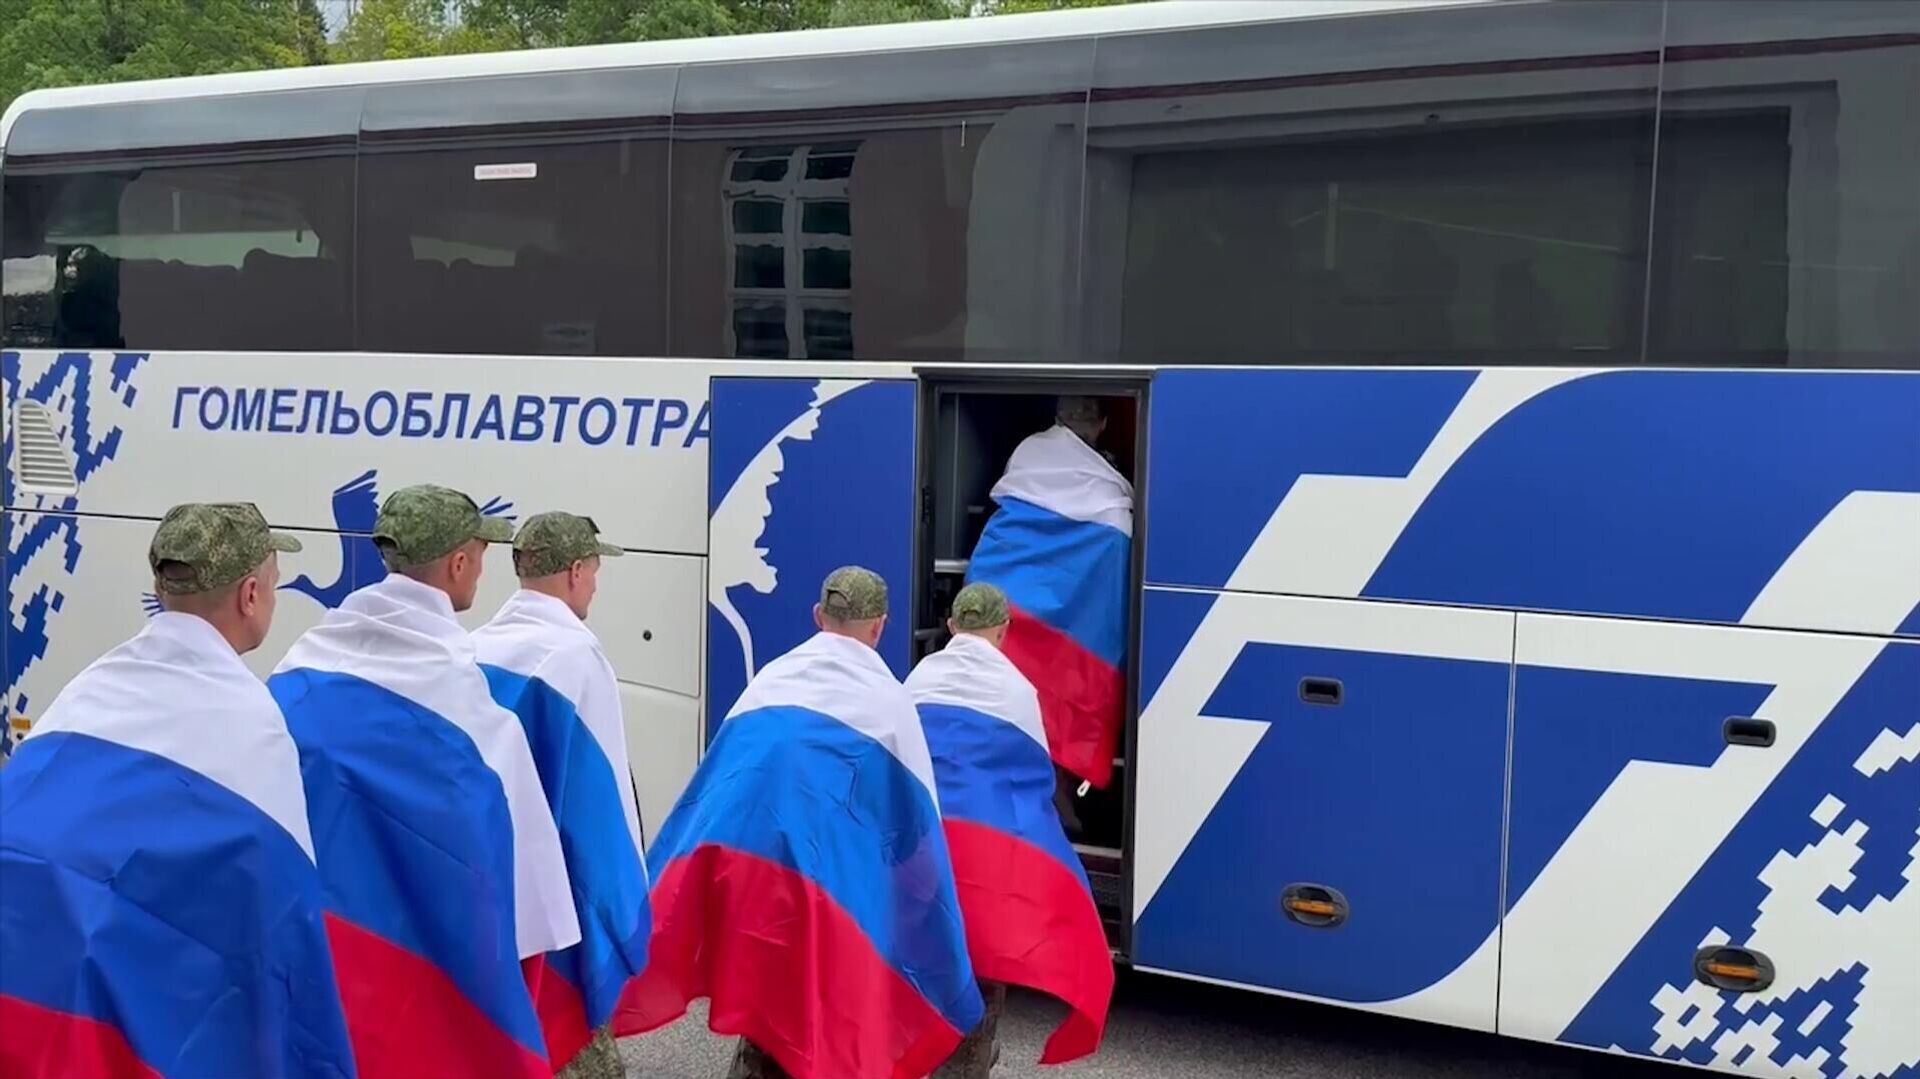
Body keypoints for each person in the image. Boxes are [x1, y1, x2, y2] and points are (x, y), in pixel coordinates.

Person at [0, 504, 356, 1079]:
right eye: (273, 584)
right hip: (117, 1000)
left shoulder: (92, 686)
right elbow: (276, 917)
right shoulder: (251, 720)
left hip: (22, 963)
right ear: (250, 596)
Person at [617, 566, 981, 1079]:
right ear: (880, 626)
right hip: (827, 895)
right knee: (818, 1017)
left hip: (751, 879)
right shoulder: (889, 700)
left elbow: (719, 782)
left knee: (769, 1005)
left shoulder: (773, 678)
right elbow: (915, 819)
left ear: (817, 616)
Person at [268, 484, 579, 1079]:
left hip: (317, 961)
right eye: (481, 554)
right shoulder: (473, 717)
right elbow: (526, 894)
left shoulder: (298, 669)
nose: (483, 569)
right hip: (419, 983)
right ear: (459, 563)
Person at [908, 583, 1115, 1078]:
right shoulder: (1016, 690)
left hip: (923, 855)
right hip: (983, 868)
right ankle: (966, 1062)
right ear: (1003, 630)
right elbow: (1031, 783)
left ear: (952, 626)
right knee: (981, 960)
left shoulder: (917, 679)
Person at [471, 512, 649, 1079]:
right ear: (575, 571)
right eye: (595, 569)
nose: (595, 583)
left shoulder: (475, 647)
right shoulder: (576, 658)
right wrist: (627, 918)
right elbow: (597, 811)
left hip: (487, 890)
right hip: (556, 911)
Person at [966, 396, 1133, 796]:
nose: (1078, 422)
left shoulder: (1100, 475)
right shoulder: (1037, 454)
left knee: (1048, 703)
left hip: (1068, 624)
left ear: (1103, 424)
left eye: (1085, 415)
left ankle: (1052, 791)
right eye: (1073, 414)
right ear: (1058, 418)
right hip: (1028, 609)